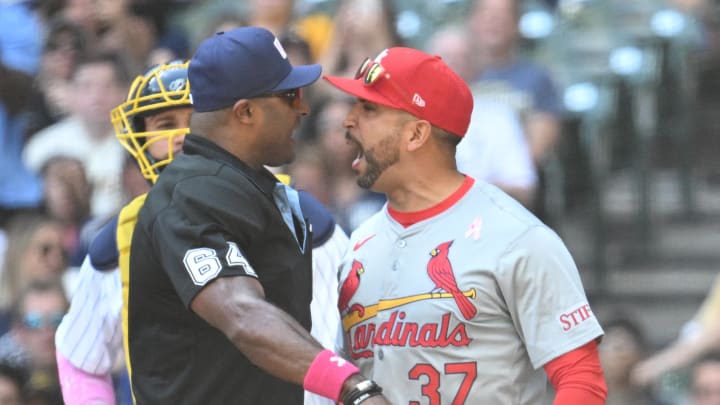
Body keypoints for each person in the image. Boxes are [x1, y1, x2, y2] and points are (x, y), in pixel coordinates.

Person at [55, 56, 351, 405]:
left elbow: (348, 340)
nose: (181, 136)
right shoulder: (118, 239)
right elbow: (80, 358)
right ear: (140, 140)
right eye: (164, 123)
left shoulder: (307, 219)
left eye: (194, 119)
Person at [323, 47, 607, 404]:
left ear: (416, 135)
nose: (348, 122)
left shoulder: (516, 237)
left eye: (369, 109)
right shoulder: (359, 241)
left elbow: (581, 380)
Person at [126, 27, 389, 404]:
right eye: (288, 96)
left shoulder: (248, 185)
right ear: (245, 111)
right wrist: (352, 387)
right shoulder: (188, 195)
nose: (303, 108)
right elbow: (241, 313)